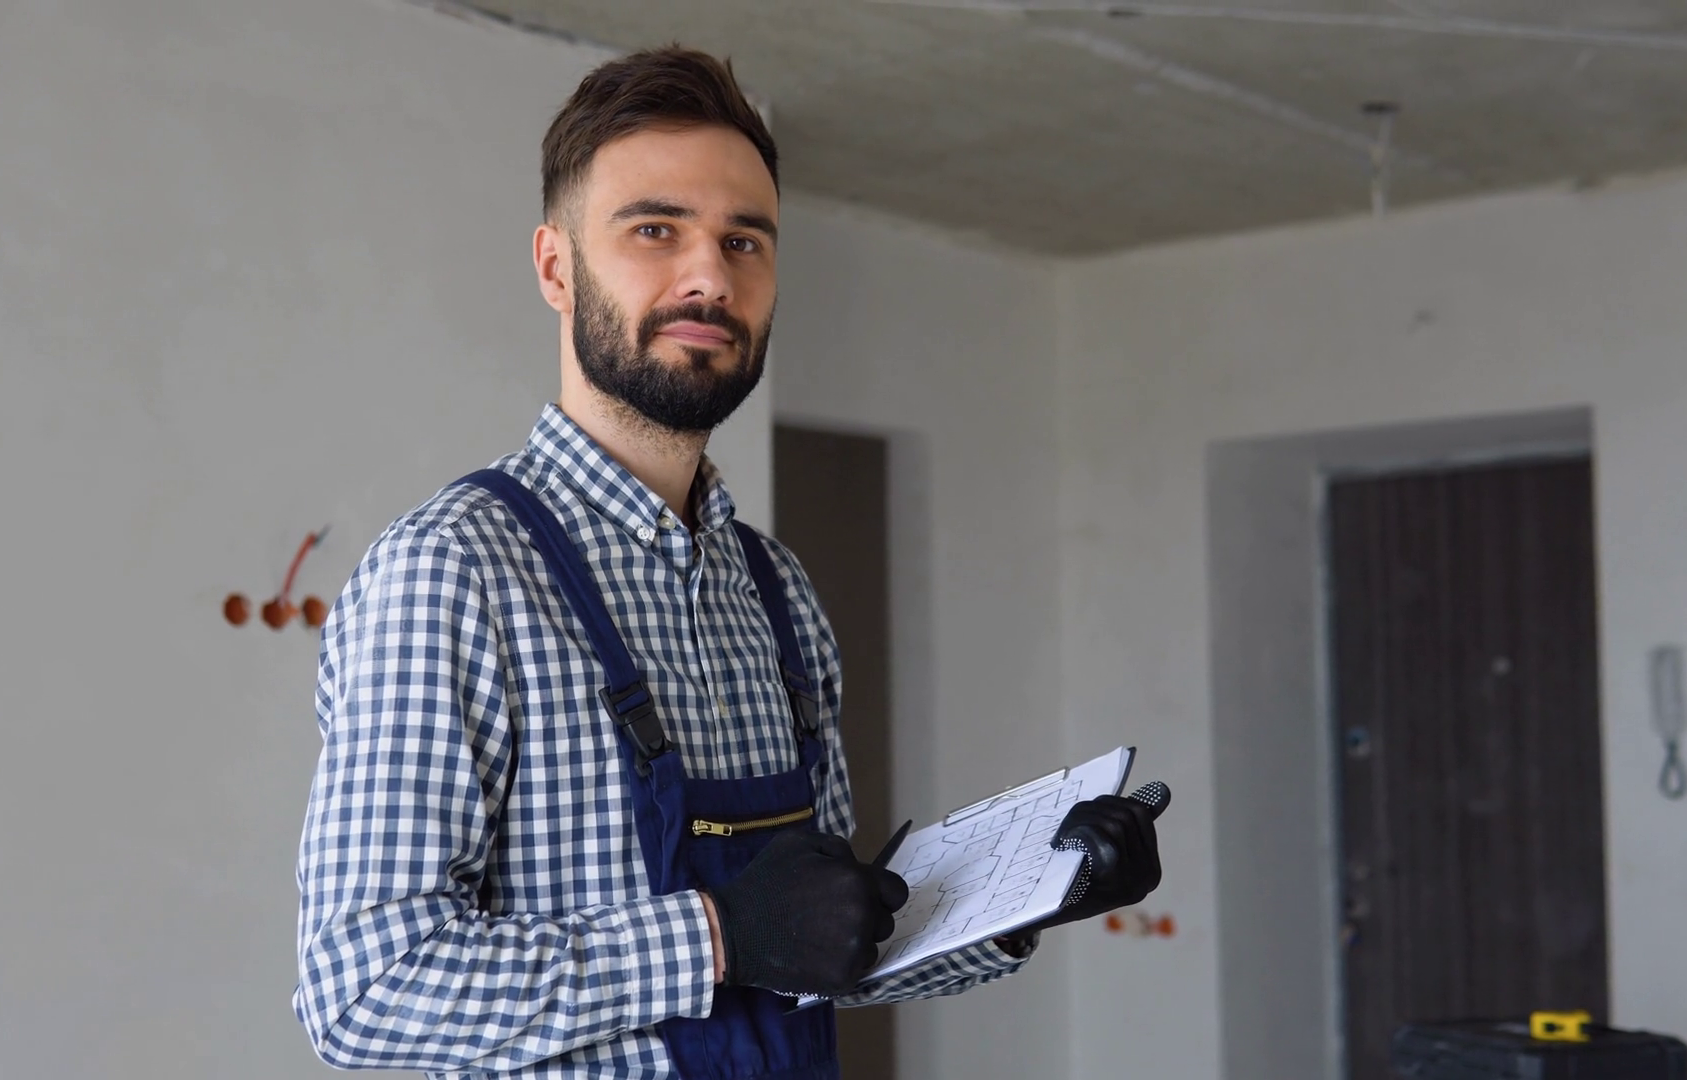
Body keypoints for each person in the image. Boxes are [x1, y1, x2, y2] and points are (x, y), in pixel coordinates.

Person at [292, 45, 1163, 1079]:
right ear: (556, 268)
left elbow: (828, 950)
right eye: (655, 230)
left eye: (744, 240)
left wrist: (1038, 891)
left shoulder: (775, 590)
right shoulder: (454, 574)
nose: (710, 276)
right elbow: (363, 990)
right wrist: (717, 938)